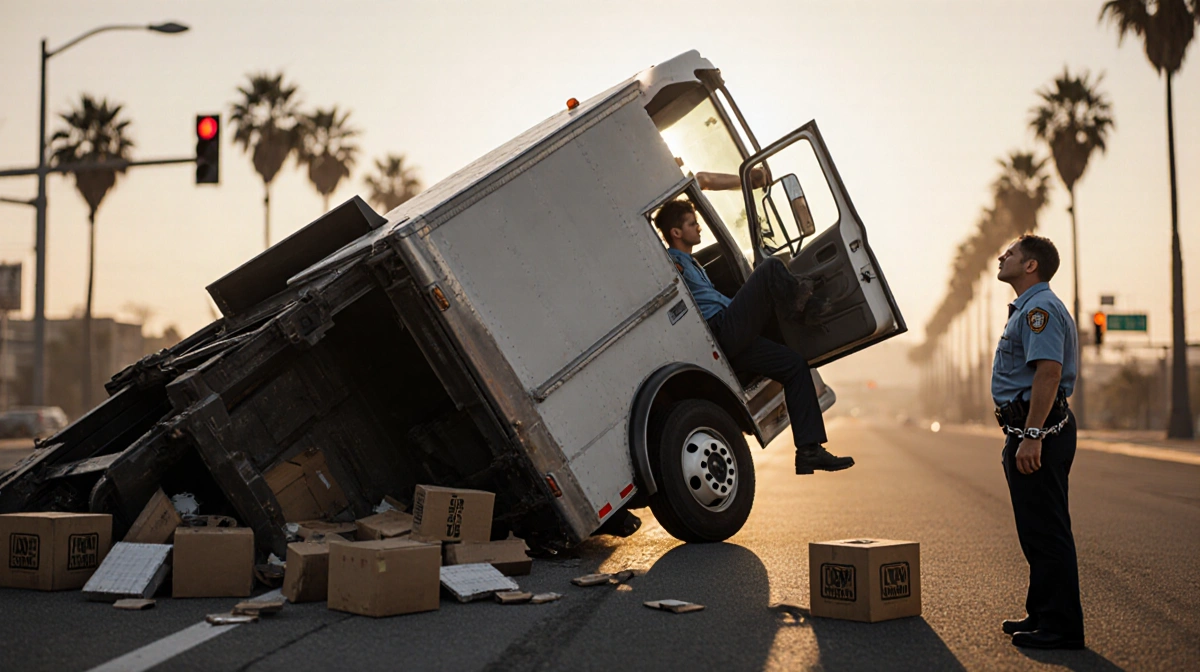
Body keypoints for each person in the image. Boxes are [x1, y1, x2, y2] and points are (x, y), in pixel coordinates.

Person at [654, 198, 853, 474]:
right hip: (722, 330)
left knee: (794, 365)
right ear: (676, 233)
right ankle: (806, 309)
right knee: (770, 269)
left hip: (733, 333)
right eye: (691, 223)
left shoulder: (692, 262)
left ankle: (809, 451)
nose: (698, 227)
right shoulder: (671, 261)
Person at [991, 234, 1084, 650]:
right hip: (1030, 430)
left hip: (1040, 431)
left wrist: (1031, 435)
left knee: (1047, 531)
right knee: (1035, 529)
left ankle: (1062, 626)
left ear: (1031, 266)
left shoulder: (1040, 309)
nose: (1002, 256)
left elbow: (1048, 372)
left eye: (1010, 253)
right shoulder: (1029, 309)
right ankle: (1042, 611)